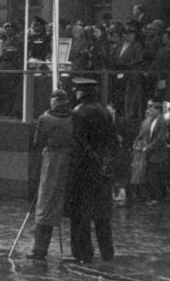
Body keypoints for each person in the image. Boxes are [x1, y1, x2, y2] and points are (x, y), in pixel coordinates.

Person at [65, 77, 119, 263]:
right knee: (103, 215)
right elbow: (112, 141)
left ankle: (82, 253)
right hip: (102, 170)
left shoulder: (78, 113)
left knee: (81, 215)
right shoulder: (105, 112)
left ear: (80, 92)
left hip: (84, 171)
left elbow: (79, 144)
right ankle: (107, 253)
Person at [27, 89, 74, 261]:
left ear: (53, 101)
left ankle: (39, 249)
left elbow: (37, 142)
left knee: (45, 204)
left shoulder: (45, 118)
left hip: (51, 161)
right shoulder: (73, 117)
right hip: (69, 162)